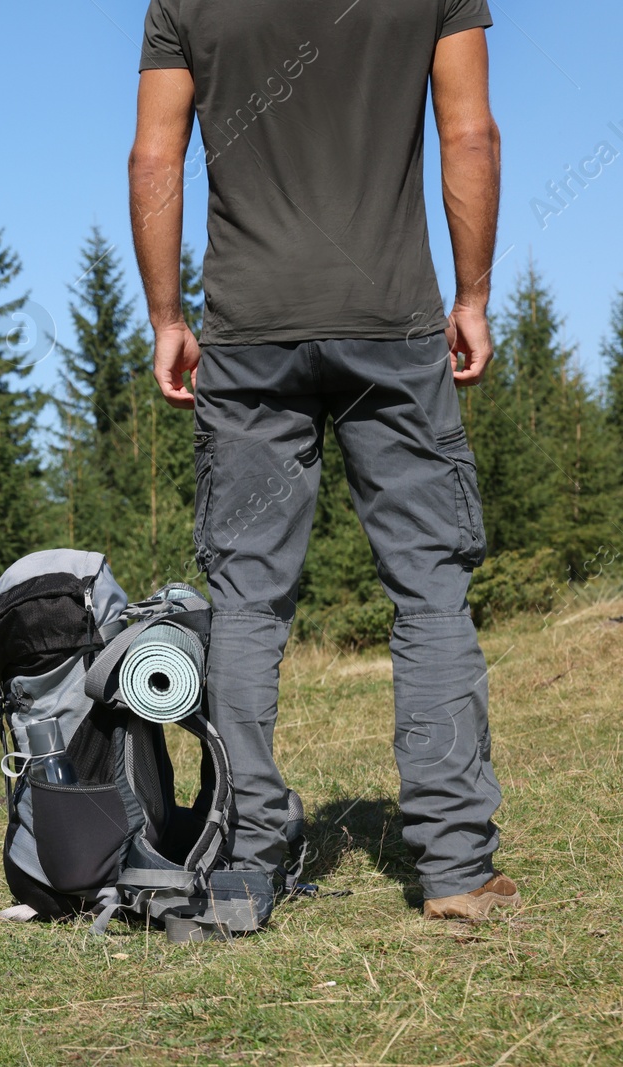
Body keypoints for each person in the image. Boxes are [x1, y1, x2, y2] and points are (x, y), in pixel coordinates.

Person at [127, 0, 518, 927]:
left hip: (251, 331)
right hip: (393, 320)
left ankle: (245, 860)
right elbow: (470, 134)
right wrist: (472, 293)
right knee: (429, 589)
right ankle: (456, 869)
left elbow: (154, 157)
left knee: (249, 601)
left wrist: (166, 318)